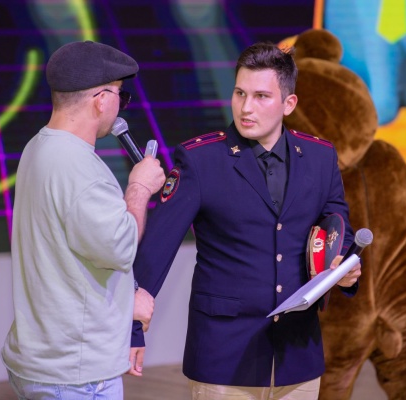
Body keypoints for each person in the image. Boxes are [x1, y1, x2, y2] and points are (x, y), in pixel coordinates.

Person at [128, 42, 362, 399]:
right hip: (223, 359)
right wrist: (132, 328)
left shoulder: (320, 156)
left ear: (289, 103)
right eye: (239, 93)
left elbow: (336, 224)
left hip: (298, 357)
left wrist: (343, 267)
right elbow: (157, 248)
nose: (245, 107)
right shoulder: (201, 160)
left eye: (261, 96)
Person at [1, 40, 166, 400]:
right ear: (101, 100)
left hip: (43, 359)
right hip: (74, 374)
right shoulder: (79, 169)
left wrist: (126, 299)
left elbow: (75, 250)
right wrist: (139, 188)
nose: (120, 106)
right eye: (121, 96)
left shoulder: (38, 147)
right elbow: (120, 247)